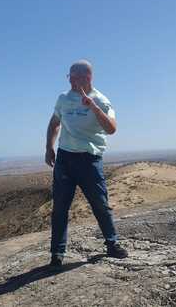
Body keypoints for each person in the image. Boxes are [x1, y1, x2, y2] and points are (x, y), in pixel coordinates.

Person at [45, 59, 128, 267]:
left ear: (87, 77)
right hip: (65, 159)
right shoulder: (63, 98)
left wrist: (93, 108)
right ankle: (57, 254)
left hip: (89, 160)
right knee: (60, 208)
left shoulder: (100, 99)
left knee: (100, 204)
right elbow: (55, 123)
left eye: (75, 78)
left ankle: (112, 243)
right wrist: (49, 147)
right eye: (69, 77)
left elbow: (111, 128)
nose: (71, 81)